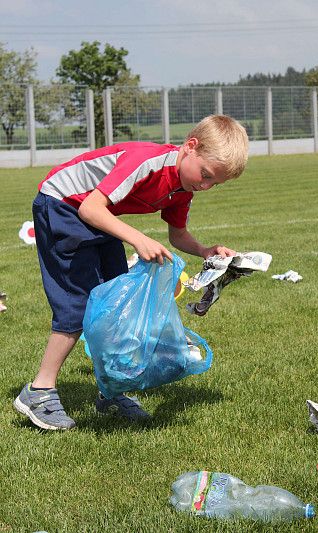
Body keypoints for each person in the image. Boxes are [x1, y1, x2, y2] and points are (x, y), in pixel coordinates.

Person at [13, 115, 248, 430]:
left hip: (97, 213)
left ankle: (111, 391)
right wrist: (137, 238)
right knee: (78, 304)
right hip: (62, 205)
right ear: (190, 147)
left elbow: (177, 235)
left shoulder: (183, 187)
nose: (204, 186)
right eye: (205, 174)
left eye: (213, 183)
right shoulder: (148, 161)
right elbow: (88, 208)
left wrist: (206, 251)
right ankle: (38, 390)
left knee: (117, 304)